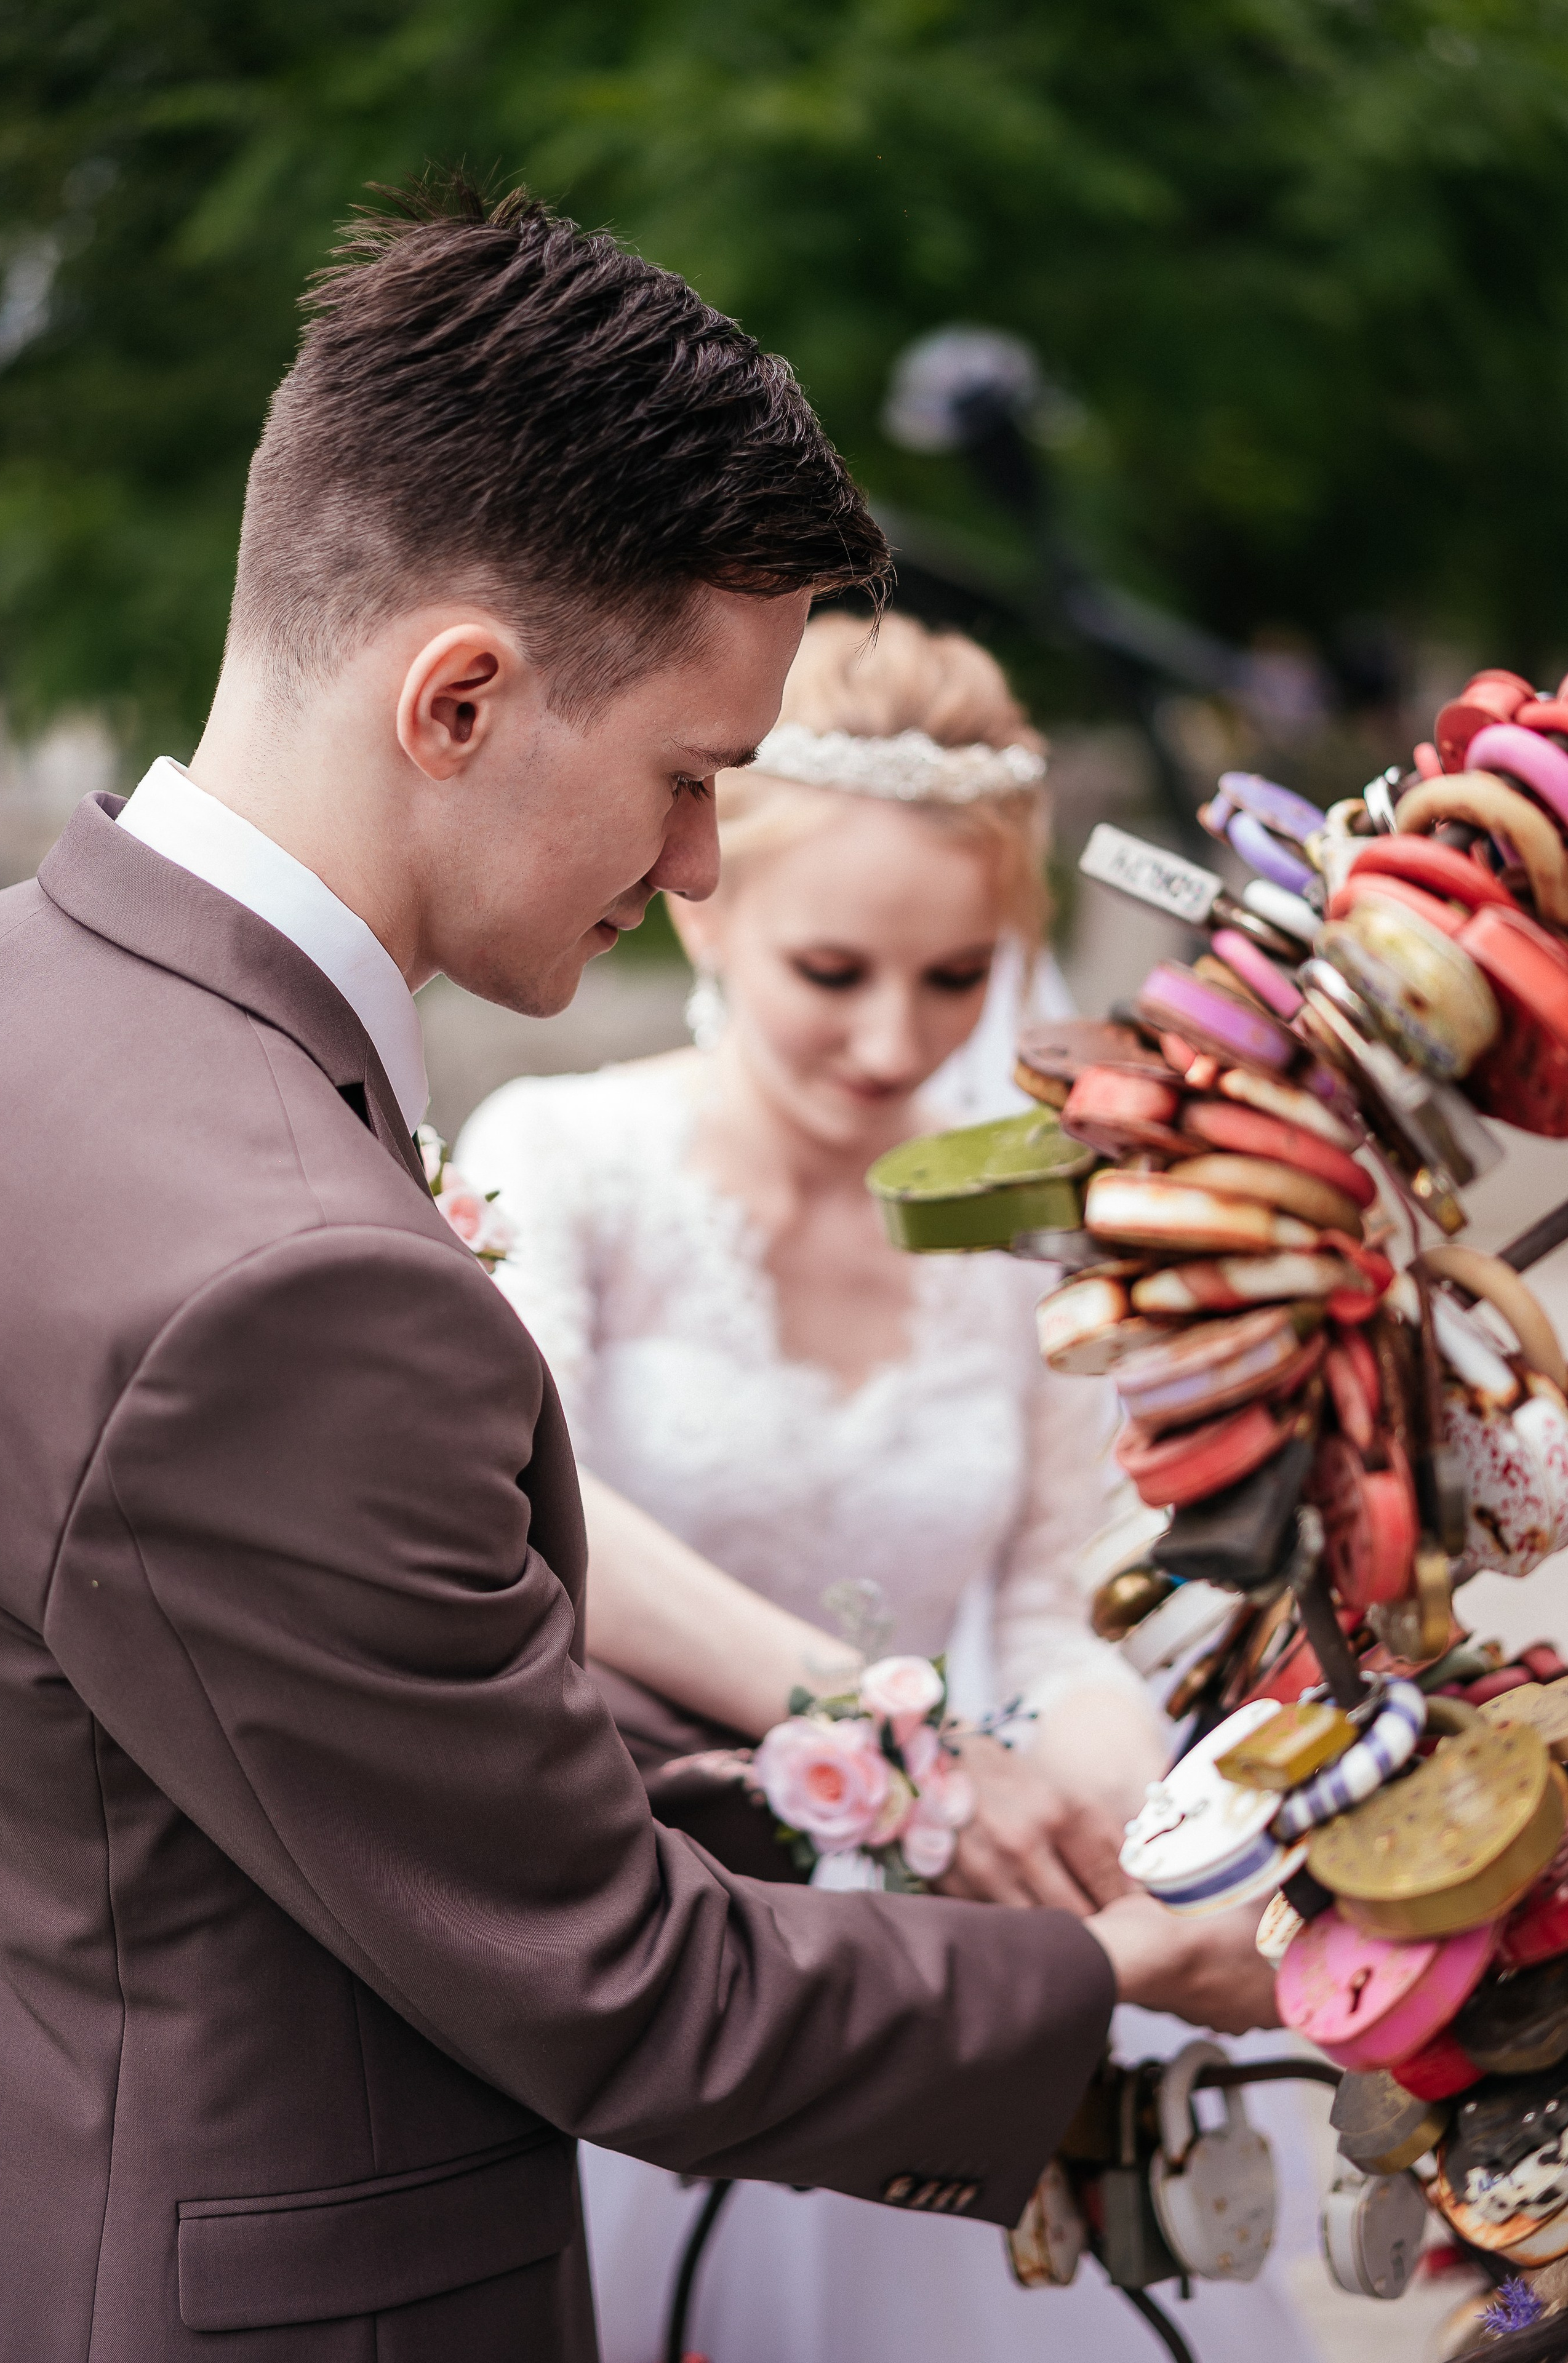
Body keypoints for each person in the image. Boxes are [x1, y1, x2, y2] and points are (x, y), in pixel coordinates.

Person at [0, 181, 1273, 2363]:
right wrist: (1120, 1972)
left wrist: (835, 1809)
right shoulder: (288, 1281)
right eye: (690, 780)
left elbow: (321, 1723)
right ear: (461, 698)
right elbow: (621, 1996)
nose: (698, 862)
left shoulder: (44, 1006)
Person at [458, 614, 1307, 2363]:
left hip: (967, 1940)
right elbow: (533, 1523)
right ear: (705, 900)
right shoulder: (564, 1158)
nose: (893, 1043)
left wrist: (1121, 1798)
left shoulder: (1014, 1223)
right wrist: (913, 1752)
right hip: (685, 1942)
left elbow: (1060, 1590)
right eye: (834, 973)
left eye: (954, 980)